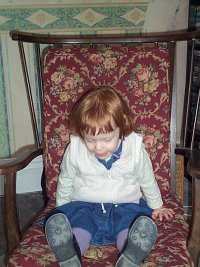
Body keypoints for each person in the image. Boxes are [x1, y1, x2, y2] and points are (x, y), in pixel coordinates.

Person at [45, 86, 174, 267]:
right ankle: (71, 254)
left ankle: (130, 255)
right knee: (80, 223)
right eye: (90, 140)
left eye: (106, 139)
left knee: (129, 223)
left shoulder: (135, 150)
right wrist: (63, 208)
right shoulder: (75, 149)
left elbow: (147, 178)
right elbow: (66, 179)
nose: (98, 147)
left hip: (125, 204)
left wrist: (157, 205)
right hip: (85, 203)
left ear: (121, 127)